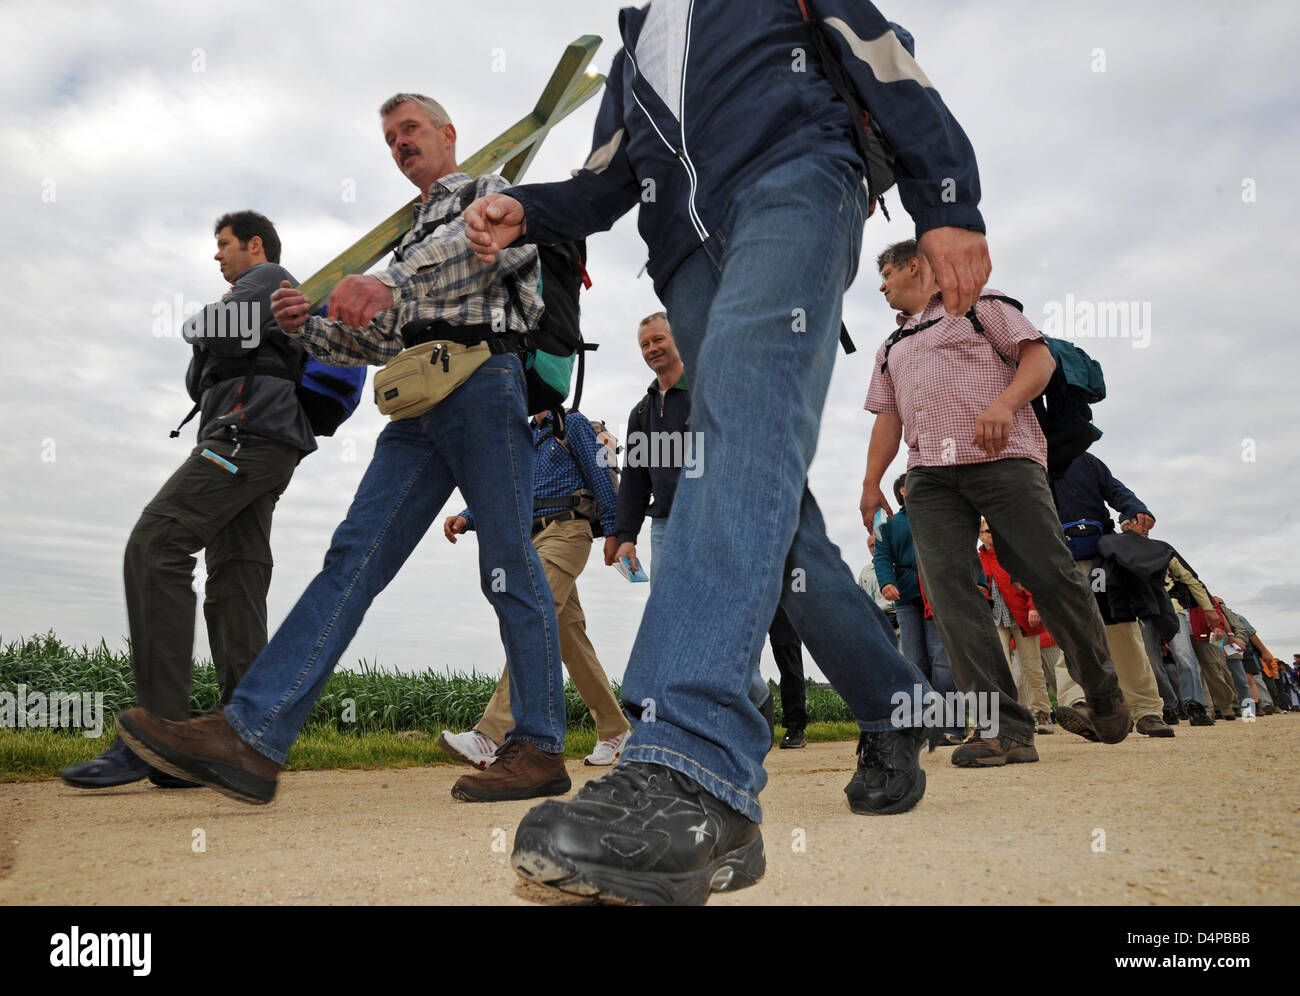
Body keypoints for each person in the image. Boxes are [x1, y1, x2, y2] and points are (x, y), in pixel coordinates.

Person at [465, 2, 988, 905]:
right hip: (688, 260)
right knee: (766, 499)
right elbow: (602, 183)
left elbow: (882, 59)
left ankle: (695, 764)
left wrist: (946, 199)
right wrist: (528, 208)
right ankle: (895, 700)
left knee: (729, 448)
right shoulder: (636, 48)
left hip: (798, 183)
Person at [116, 93, 570, 805]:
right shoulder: (407, 234)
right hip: (419, 394)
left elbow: (465, 260)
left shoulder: (491, 193)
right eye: (390, 138)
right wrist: (307, 328)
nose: (399, 144)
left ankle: (540, 746)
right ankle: (254, 737)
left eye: (410, 130)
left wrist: (382, 281)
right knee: (352, 556)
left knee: (509, 561)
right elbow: (377, 339)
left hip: (485, 380)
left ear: (448, 134)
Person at [62, 211, 312, 791]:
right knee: (236, 580)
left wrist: (198, 320)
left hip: (246, 436)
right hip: (270, 446)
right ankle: (238, 741)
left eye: (223, 245)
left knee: (156, 545)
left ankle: (158, 734)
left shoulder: (269, 275)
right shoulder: (276, 292)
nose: (216, 256)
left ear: (254, 245)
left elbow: (215, 328)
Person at [862, 239, 1132, 769]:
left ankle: (1102, 693)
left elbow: (1040, 360)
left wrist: (1006, 403)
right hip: (929, 479)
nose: (882, 287)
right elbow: (888, 418)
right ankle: (1003, 730)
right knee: (952, 596)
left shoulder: (983, 306)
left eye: (887, 275)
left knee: (1050, 574)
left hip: (1003, 459)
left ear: (915, 266)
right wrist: (872, 484)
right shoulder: (891, 346)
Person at [441, 408, 631, 767]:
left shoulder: (570, 424)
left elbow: (601, 477)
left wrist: (614, 531)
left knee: (529, 621)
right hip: (534, 538)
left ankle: (489, 736)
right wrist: (468, 516)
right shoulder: (523, 437)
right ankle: (614, 729)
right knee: (569, 639)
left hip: (568, 531)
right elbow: (504, 489)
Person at [1048, 451, 1173, 739]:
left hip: (1102, 560)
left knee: (1123, 632)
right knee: (1072, 635)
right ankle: (1079, 706)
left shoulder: (1086, 460)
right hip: (1059, 559)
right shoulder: (1027, 458)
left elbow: (1116, 489)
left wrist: (1135, 510)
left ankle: (1145, 710)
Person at [873, 475, 955, 699]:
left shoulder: (938, 516)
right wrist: (886, 582)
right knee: (913, 658)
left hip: (936, 592)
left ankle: (951, 721)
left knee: (940, 655)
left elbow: (958, 547)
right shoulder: (885, 521)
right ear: (902, 491)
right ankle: (925, 720)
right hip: (906, 595)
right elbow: (881, 556)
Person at [977, 520, 1054, 734]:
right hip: (994, 619)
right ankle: (1011, 716)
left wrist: (1033, 606)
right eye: (986, 531)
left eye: (993, 530)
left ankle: (1042, 714)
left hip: (1022, 617)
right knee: (1000, 668)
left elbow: (1031, 581)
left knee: (1032, 667)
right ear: (980, 536)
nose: (990, 534)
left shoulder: (1013, 554)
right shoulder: (976, 559)